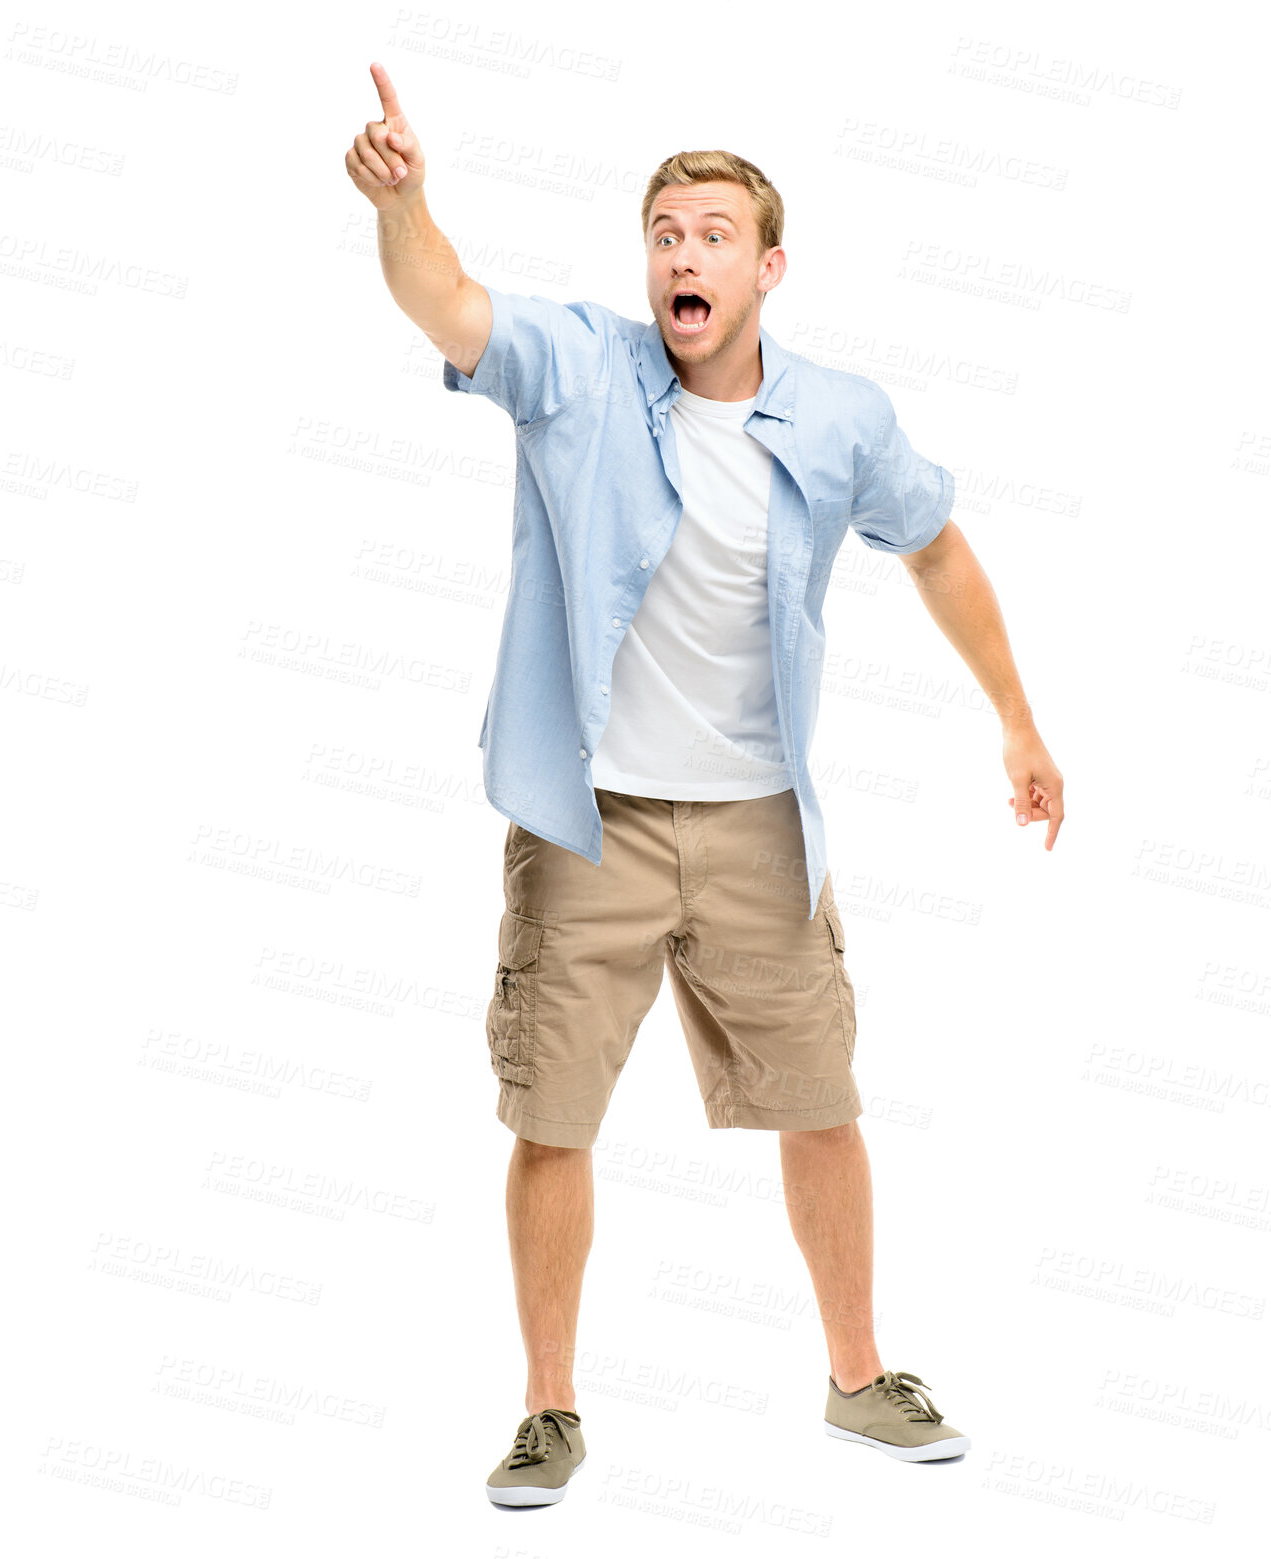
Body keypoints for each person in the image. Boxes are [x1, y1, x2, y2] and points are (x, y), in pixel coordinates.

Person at [346, 61, 1065, 1506]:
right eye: (665, 232)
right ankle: (548, 1409)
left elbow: (933, 542)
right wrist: (406, 202)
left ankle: (857, 1378)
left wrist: (1015, 720)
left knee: (821, 1100)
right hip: (586, 825)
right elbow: (447, 303)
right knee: (550, 1116)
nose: (683, 253)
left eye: (713, 234)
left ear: (767, 266)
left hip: (757, 827)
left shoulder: (838, 418)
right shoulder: (577, 367)